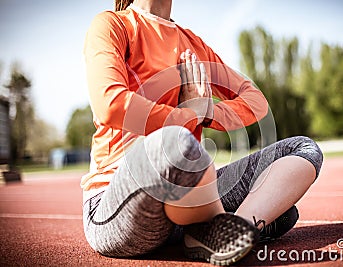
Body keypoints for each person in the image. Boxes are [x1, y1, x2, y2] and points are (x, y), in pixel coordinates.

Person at [82, 0, 323, 265]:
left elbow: (254, 100)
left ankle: (223, 232)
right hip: (116, 206)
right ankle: (221, 223)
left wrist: (206, 113)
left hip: (185, 204)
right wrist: (188, 116)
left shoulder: (192, 44)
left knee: (302, 149)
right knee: (175, 143)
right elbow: (111, 105)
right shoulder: (113, 25)